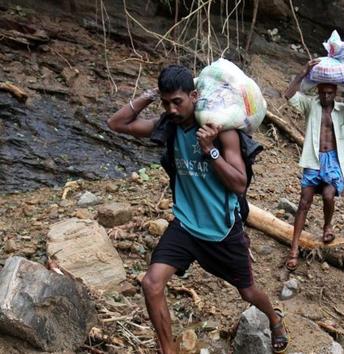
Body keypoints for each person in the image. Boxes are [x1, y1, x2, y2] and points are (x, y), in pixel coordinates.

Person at [107, 65, 288, 354]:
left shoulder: (221, 132)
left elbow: (239, 184)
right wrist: (150, 95)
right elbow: (116, 123)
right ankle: (169, 350)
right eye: (167, 103)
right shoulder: (168, 125)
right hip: (186, 225)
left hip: (221, 229)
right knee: (152, 284)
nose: (172, 109)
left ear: (194, 95)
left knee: (248, 292)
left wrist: (209, 151)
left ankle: (274, 319)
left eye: (177, 102)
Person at [283, 59, 344, 271]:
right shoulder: (311, 105)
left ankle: (327, 225)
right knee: (304, 203)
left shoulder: (342, 110)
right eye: (323, 92)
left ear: (336, 92)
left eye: (330, 93)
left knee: (329, 195)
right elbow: (288, 95)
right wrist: (303, 72)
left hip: (333, 161)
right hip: (313, 159)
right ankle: (293, 249)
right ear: (318, 91)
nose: (327, 96)